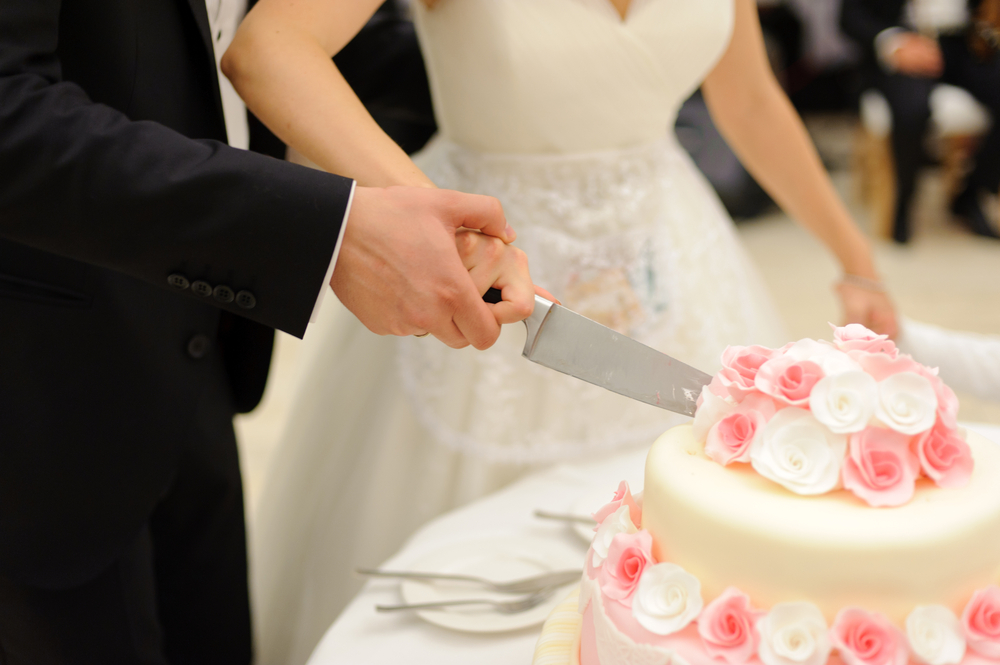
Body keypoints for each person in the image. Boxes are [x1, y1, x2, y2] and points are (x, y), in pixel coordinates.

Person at [223, 0, 899, 661]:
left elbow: (749, 99)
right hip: (486, 278)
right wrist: (431, 217)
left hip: (674, 272)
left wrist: (855, 256)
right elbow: (271, 49)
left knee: (676, 581)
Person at [0, 0, 538, 662]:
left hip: (193, 345)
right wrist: (324, 233)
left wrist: (520, 71)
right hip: (41, 384)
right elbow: (10, 117)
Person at [841, 0, 1000, 243]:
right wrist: (893, 42)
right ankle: (903, 200)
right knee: (912, 107)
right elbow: (849, 16)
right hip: (903, 39)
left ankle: (971, 193)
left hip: (964, 43)